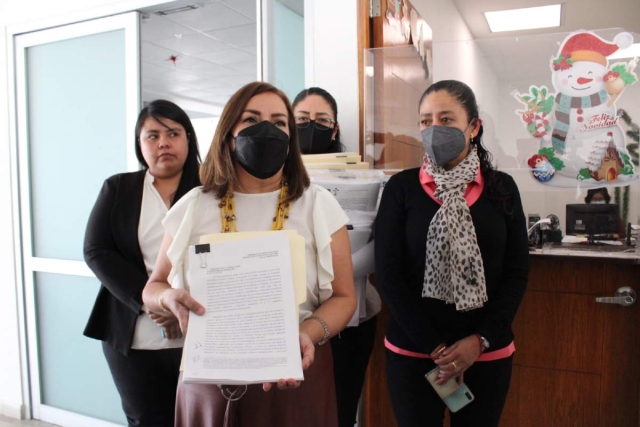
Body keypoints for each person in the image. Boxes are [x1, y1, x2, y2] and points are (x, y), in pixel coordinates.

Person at [141, 82, 357, 427]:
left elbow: (345, 297)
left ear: (290, 139)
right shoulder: (195, 205)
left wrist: (306, 334)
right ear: (229, 134)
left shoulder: (318, 204)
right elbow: (153, 286)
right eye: (252, 119)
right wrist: (168, 297)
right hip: (209, 375)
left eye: (279, 122)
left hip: (295, 371)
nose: (266, 130)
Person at [375, 80, 529, 426]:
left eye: (446, 119)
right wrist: (437, 349)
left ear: (473, 127)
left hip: (487, 354)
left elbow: (517, 271)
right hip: (414, 353)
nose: (433, 129)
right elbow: (389, 273)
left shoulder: (502, 188)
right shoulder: (401, 188)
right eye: (425, 121)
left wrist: (480, 340)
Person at [83, 100, 201, 426]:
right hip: (131, 335)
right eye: (152, 135)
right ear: (139, 144)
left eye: (173, 133)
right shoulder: (119, 188)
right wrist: (153, 301)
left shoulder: (211, 189)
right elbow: (96, 250)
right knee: (146, 419)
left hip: (199, 331)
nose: (163, 142)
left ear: (188, 139)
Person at [293, 87, 380, 427]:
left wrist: (332, 274)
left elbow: (381, 244)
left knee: (341, 410)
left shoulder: (363, 176)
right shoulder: (268, 177)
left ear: (335, 128)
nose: (311, 126)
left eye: (321, 120)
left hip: (353, 318)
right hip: (293, 317)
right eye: (302, 120)